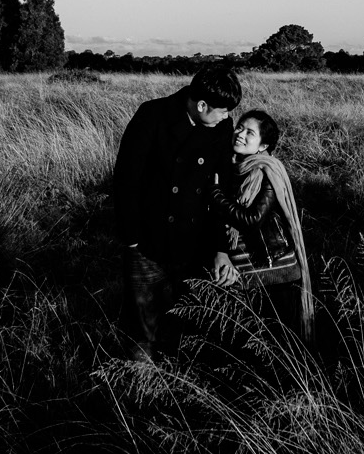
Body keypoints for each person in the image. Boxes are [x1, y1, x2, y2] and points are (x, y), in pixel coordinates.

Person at [112, 63, 242, 360]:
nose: (227, 116)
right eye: (222, 110)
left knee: (186, 321)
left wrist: (221, 248)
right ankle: (138, 388)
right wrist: (131, 238)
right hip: (147, 241)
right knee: (142, 326)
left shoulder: (221, 126)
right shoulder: (153, 115)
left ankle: (179, 387)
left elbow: (221, 192)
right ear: (201, 105)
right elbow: (126, 179)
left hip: (193, 242)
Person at [212, 109, 315, 342]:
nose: (240, 134)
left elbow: (252, 219)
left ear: (262, 146)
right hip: (244, 265)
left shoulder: (265, 171)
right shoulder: (230, 166)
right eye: (239, 127)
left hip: (272, 268)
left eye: (250, 132)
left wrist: (216, 196)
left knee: (277, 338)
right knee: (247, 336)